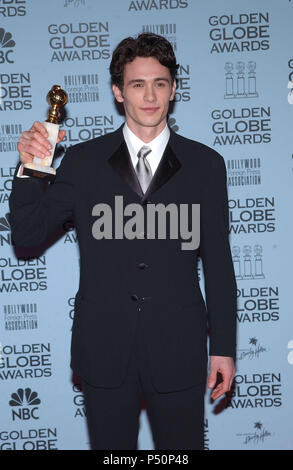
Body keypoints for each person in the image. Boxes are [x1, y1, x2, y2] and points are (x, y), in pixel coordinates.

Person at [9, 33, 237, 450]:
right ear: (118, 92)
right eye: (137, 84)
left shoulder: (205, 164)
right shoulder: (82, 162)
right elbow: (26, 235)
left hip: (179, 346)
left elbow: (220, 262)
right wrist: (30, 170)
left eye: (160, 83)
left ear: (173, 88)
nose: (150, 96)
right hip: (104, 347)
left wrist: (223, 347)